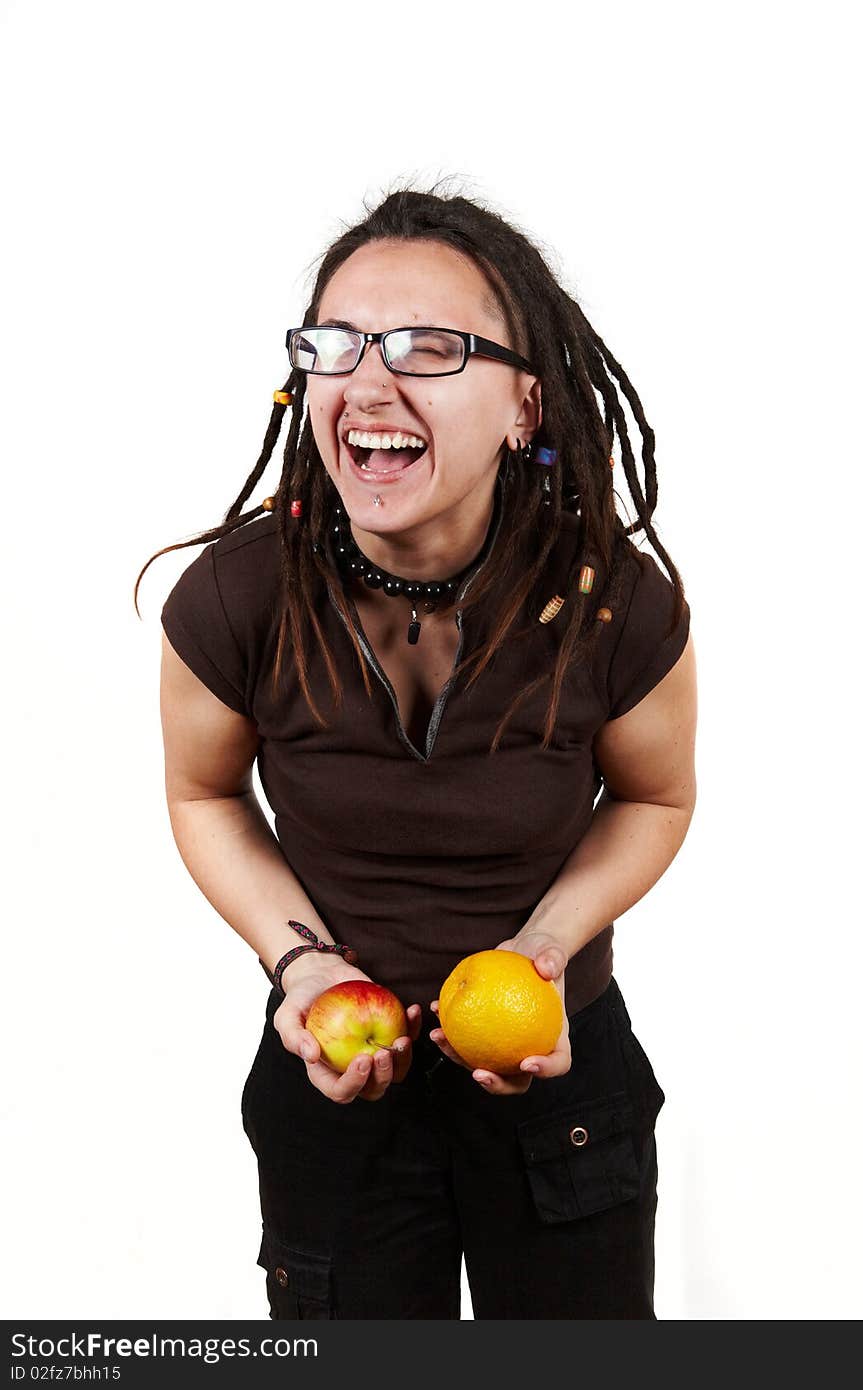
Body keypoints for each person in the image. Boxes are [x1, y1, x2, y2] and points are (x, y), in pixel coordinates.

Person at [137, 183, 697, 1320]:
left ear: (524, 406)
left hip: (560, 1094)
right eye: (335, 344)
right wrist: (301, 964)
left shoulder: (613, 602)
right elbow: (203, 793)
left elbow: (654, 797)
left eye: (429, 347)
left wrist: (544, 949)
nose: (368, 381)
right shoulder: (237, 597)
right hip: (330, 1089)